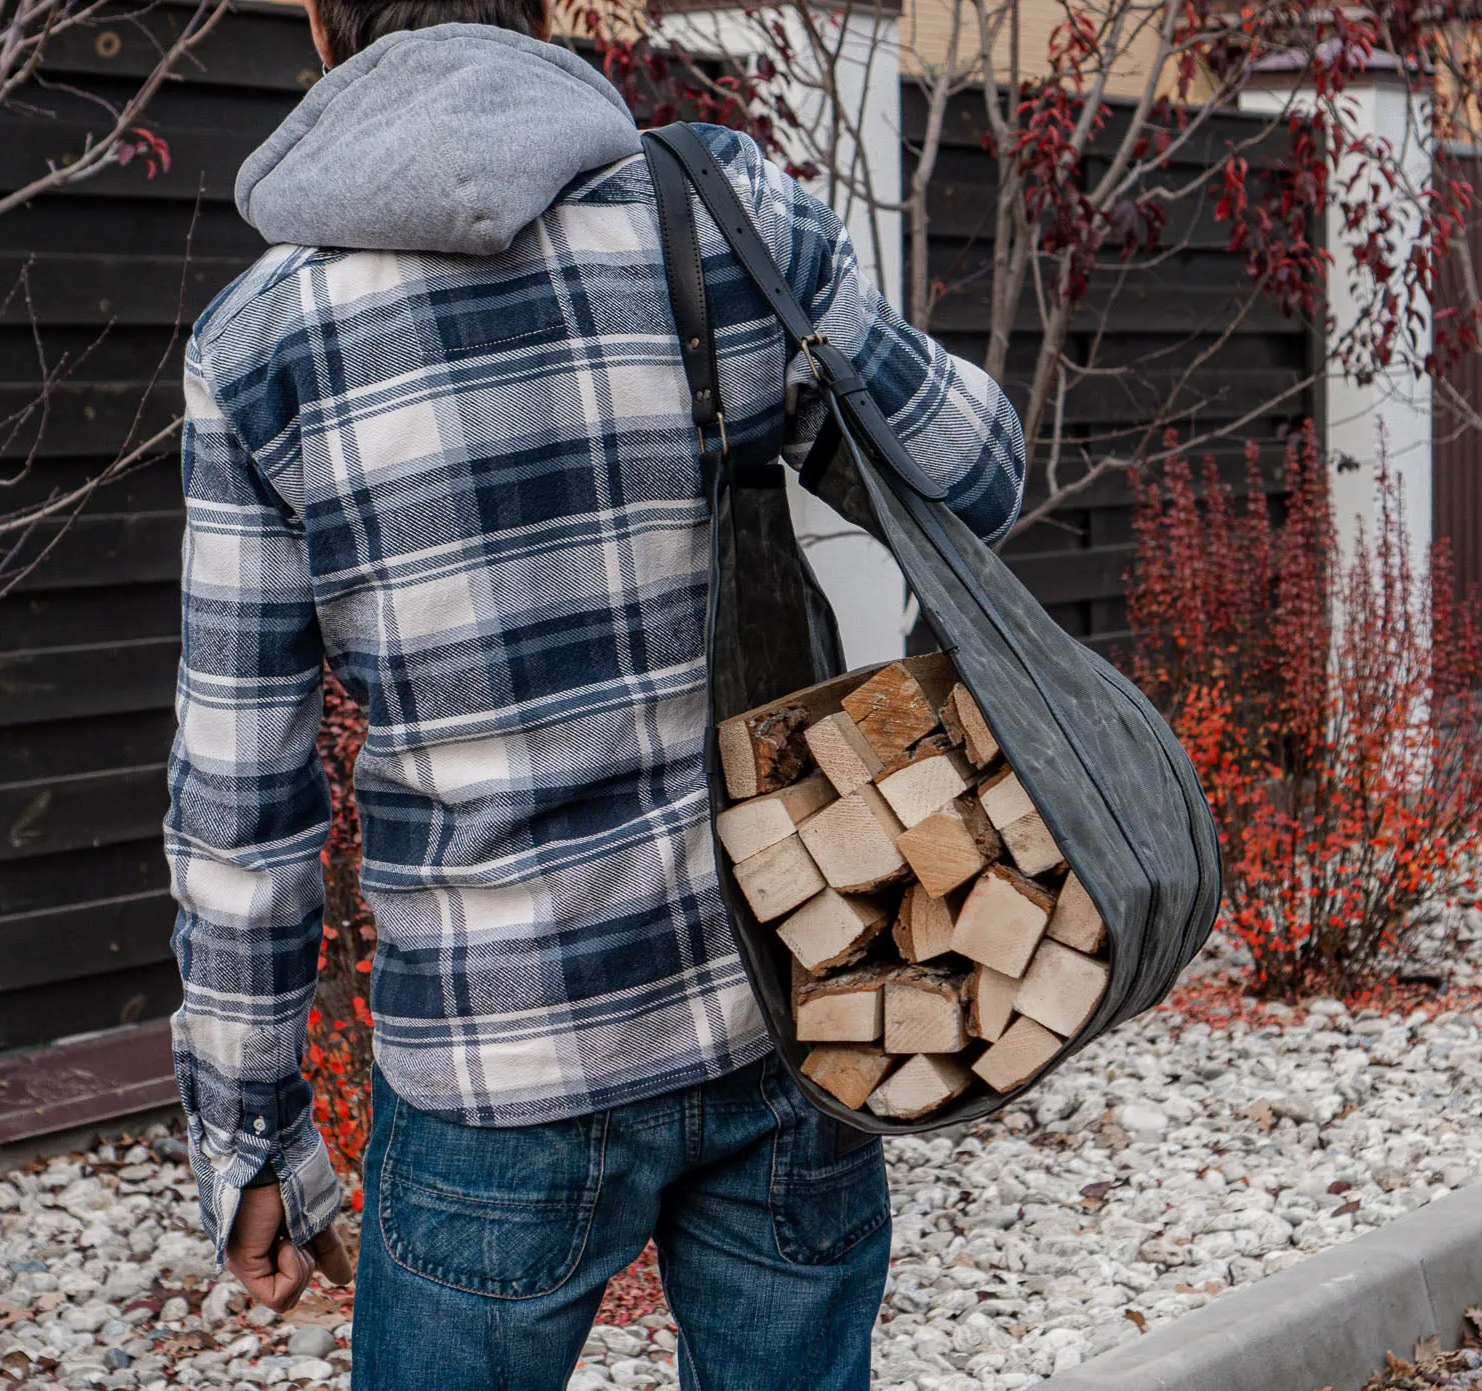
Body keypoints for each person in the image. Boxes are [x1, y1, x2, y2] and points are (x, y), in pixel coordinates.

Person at [162, 0, 1027, 1382]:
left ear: (326, 27)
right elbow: (981, 469)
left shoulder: (259, 347)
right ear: (554, 14)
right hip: (785, 992)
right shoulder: (723, 210)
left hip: (493, 1068)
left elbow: (244, 806)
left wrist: (251, 1131)